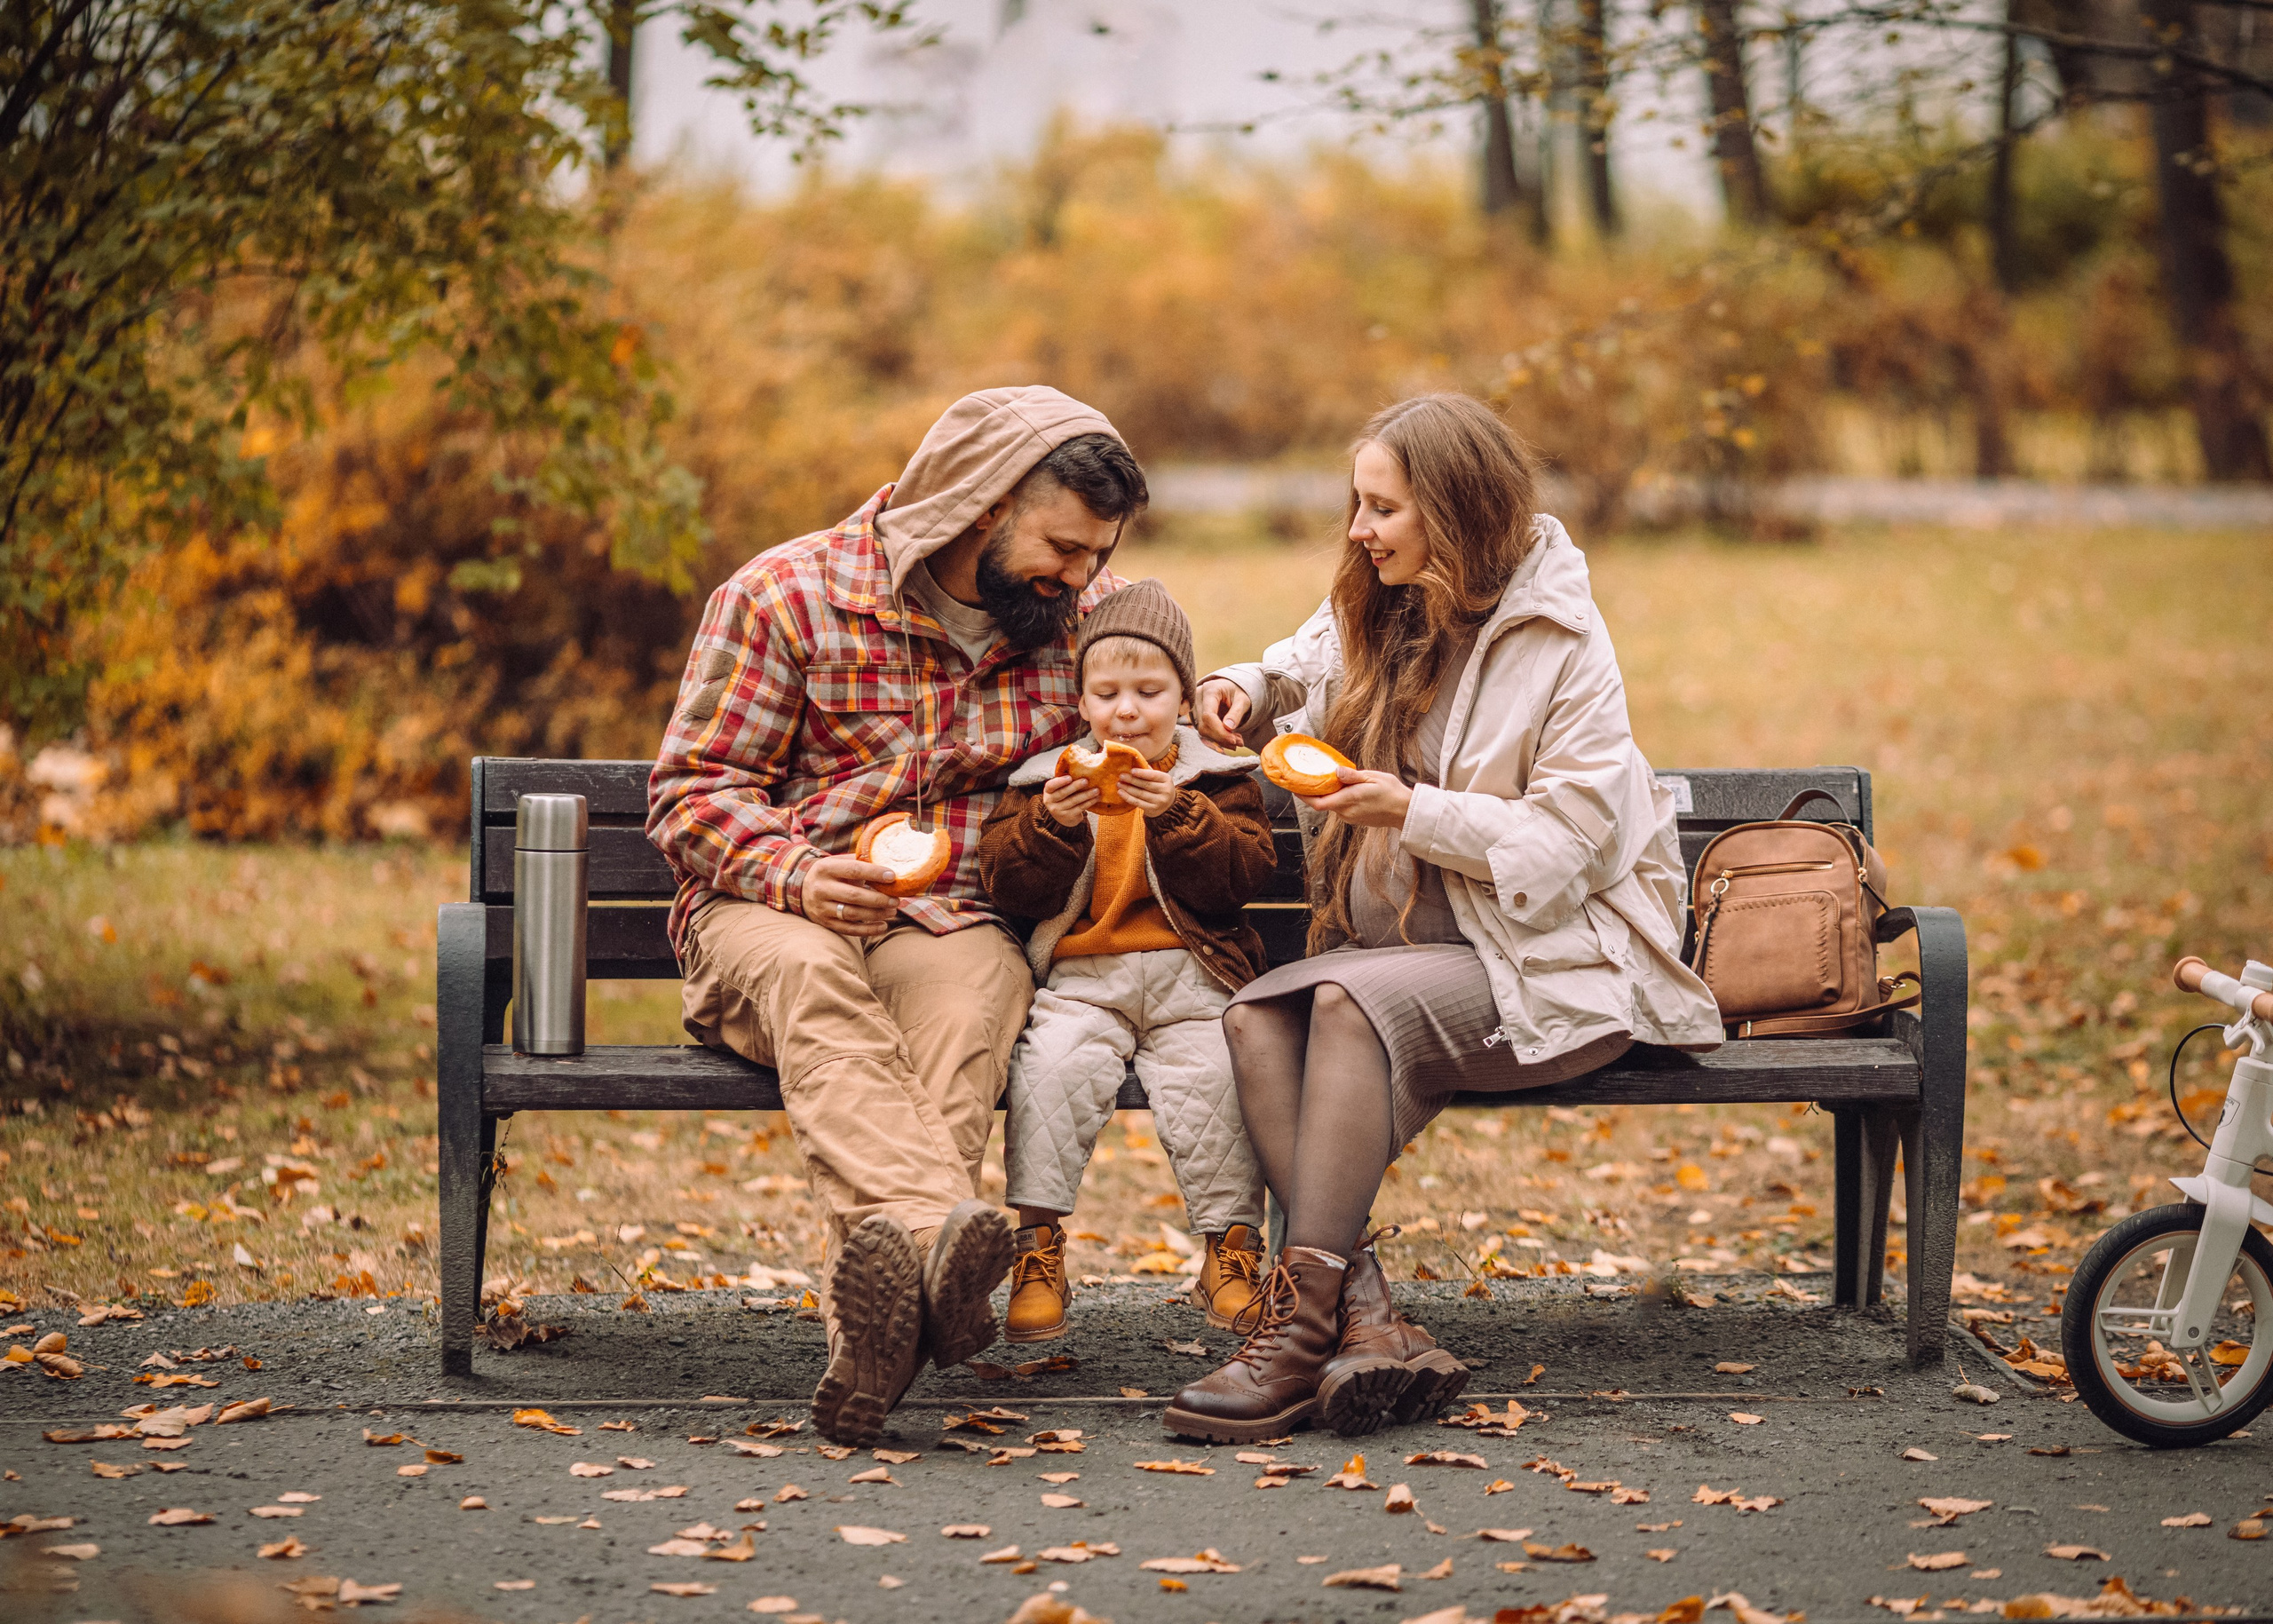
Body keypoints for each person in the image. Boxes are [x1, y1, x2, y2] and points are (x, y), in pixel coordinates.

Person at [1164, 392, 1723, 1445]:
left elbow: (1563, 845)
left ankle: (1290, 1342)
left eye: (1381, 508)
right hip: (1412, 961)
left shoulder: (1563, 644)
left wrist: (1409, 810)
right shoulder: (1389, 600)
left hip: (1552, 962)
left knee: (1335, 1002)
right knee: (1253, 1018)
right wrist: (1240, 685)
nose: (1358, 529)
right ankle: (1364, 1322)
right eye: (1357, 502)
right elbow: (1298, 661)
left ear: (1455, 513)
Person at [646, 386, 1148, 1446]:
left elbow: (1179, 695)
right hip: (770, 909)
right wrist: (793, 872)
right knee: (812, 978)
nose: (1083, 578)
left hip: (953, 919)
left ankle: (875, 1344)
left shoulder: (1080, 623)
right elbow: (690, 794)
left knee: (972, 1006)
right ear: (979, 506)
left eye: (1100, 555)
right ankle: (936, 1239)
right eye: (1065, 547)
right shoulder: (786, 595)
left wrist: (1243, 694)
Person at [978, 579, 1279, 1344]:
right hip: (1085, 979)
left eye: (1149, 690)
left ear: (1183, 695)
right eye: (1107, 692)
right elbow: (1006, 884)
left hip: (1193, 974)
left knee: (1218, 1076)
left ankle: (1229, 1250)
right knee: (1050, 1070)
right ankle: (1038, 1247)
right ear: (1082, 701)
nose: (1127, 710)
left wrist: (1177, 814)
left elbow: (1244, 875)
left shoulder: (1217, 776)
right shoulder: (1046, 781)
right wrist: (1050, 825)